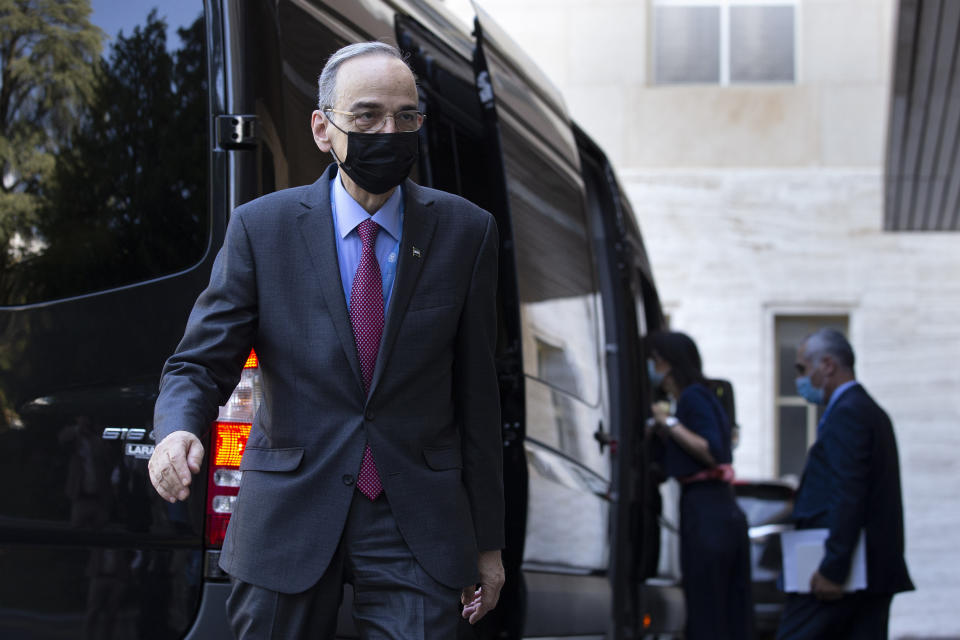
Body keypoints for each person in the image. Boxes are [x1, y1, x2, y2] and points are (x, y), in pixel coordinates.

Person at [147, 41, 505, 638]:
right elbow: (199, 363)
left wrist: (488, 545)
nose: (388, 132)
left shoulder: (467, 232)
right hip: (289, 513)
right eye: (366, 117)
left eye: (406, 117)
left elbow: (478, 402)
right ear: (323, 128)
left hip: (415, 520)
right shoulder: (261, 229)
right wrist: (177, 429)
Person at [776, 329, 913, 639]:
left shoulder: (849, 412)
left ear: (827, 365)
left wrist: (833, 568)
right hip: (865, 570)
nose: (799, 379)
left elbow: (848, 492)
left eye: (801, 368)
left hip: (841, 573)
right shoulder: (866, 410)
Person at [645, 331, 753, 640]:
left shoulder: (692, 397)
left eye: (653, 362)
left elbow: (712, 451)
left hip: (708, 513)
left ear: (664, 363)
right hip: (716, 511)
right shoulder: (700, 397)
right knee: (725, 609)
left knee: (708, 608)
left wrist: (669, 424)